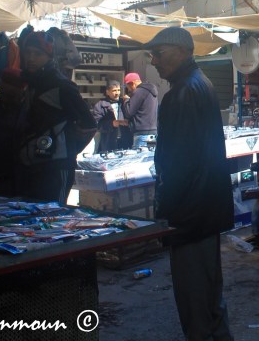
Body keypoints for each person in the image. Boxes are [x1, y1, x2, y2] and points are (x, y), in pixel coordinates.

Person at [145, 26, 234, 341]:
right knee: (210, 294)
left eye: (160, 53)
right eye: (152, 54)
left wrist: (166, 212)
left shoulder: (181, 93)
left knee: (195, 300)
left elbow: (178, 163)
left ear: (182, 50)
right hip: (205, 207)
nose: (154, 60)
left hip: (190, 212)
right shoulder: (199, 84)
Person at [17, 31, 97, 204]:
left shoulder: (61, 85)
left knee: (52, 217)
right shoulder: (29, 83)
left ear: (48, 56)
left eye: (37, 54)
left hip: (55, 168)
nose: (31, 58)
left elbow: (89, 124)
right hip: (30, 165)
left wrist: (66, 150)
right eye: (27, 53)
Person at [92, 80, 132, 153]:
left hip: (125, 140)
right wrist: (111, 124)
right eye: (114, 90)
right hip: (108, 142)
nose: (117, 93)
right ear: (107, 92)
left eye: (119, 90)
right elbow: (97, 124)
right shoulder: (100, 105)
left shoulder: (124, 102)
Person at [122, 72, 158, 148]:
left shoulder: (139, 91)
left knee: (138, 158)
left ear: (132, 83)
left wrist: (126, 101)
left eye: (128, 87)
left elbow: (129, 112)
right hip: (152, 132)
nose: (129, 90)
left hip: (141, 133)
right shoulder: (151, 92)